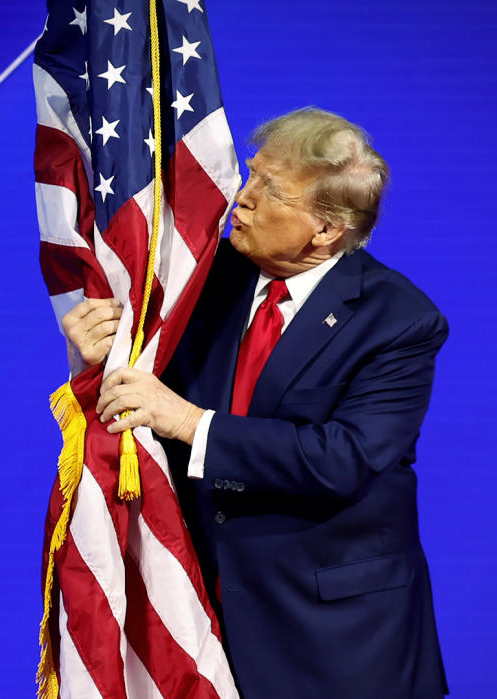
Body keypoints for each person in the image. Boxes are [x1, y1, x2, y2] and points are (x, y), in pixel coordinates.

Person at [61, 107, 449, 699]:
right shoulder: (202, 279)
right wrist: (99, 360)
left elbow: (341, 460)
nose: (240, 200)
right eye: (251, 177)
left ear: (325, 229)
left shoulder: (398, 321)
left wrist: (188, 421)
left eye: (269, 192)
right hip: (195, 617)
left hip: (333, 641)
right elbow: (144, 394)